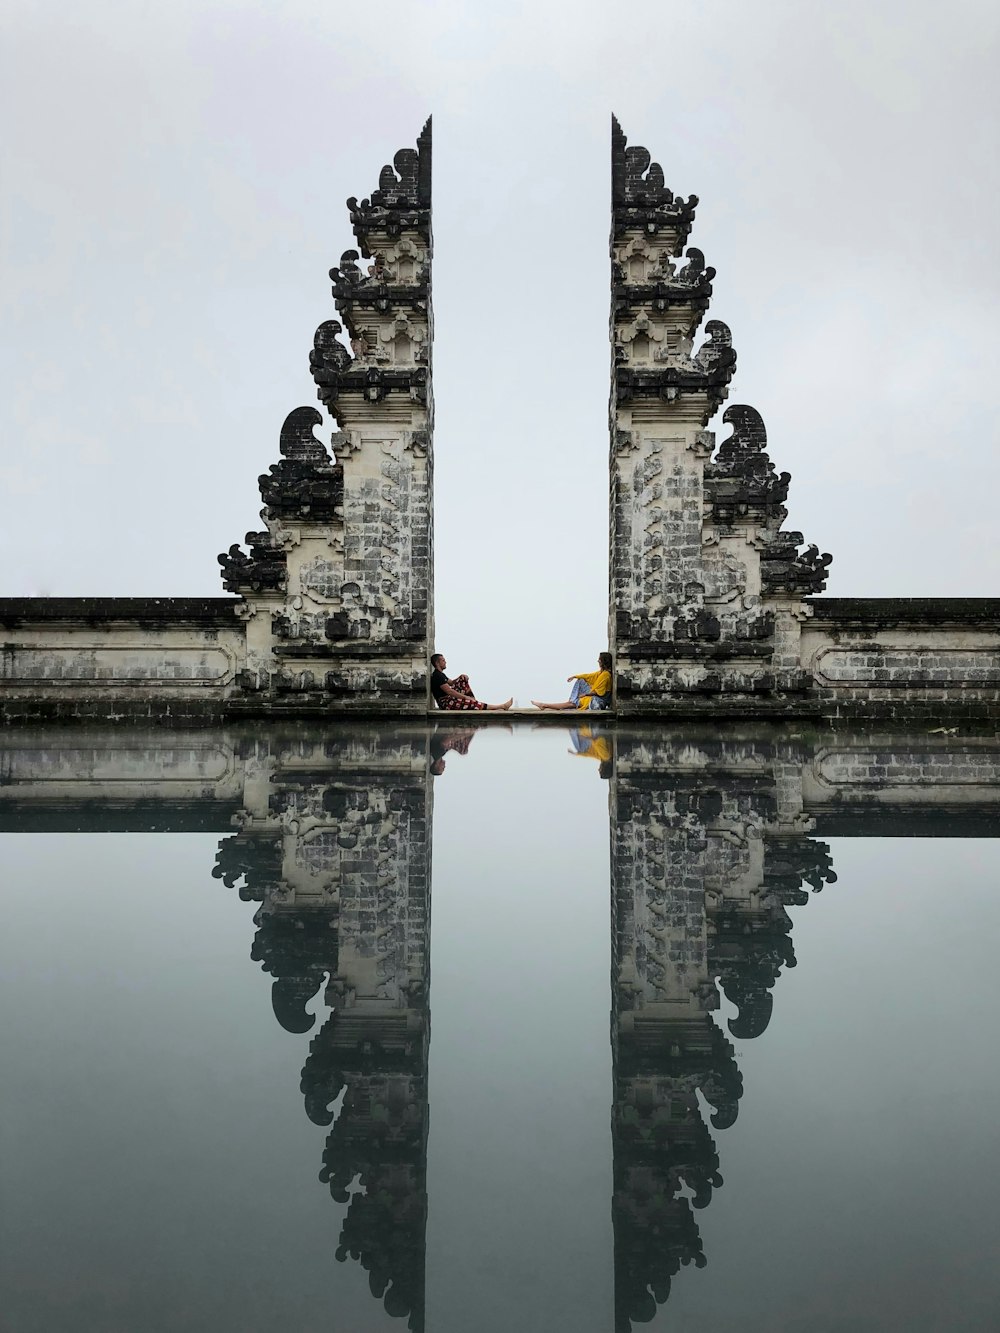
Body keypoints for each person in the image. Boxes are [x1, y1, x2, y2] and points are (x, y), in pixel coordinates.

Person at [429, 653, 513, 711]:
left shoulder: (440, 674)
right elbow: (449, 691)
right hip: (446, 704)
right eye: (443, 660)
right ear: (437, 663)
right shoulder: (437, 676)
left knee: (462, 679)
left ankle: (473, 701)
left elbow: (452, 683)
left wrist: (461, 676)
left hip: (450, 700)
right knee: (471, 702)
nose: (445, 662)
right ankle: (502, 706)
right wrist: (465, 697)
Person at [532, 652, 613, 711]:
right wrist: (575, 676)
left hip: (599, 701)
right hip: (597, 698)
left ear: (604, 661)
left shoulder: (605, 675)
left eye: (599, 659)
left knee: (572, 704)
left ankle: (544, 705)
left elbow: (599, 692)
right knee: (581, 680)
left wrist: (585, 694)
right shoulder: (601, 673)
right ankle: (568, 702)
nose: (598, 661)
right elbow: (589, 676)